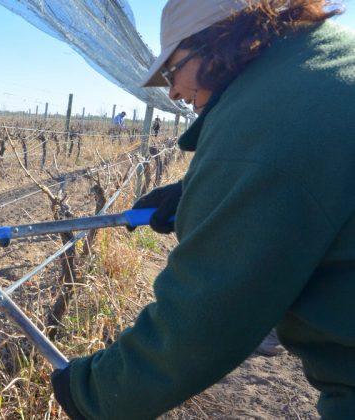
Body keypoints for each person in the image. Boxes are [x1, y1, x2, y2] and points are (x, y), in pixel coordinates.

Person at [51, 0, 355, 418]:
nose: (172, 90)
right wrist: (199, 192)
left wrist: (91, 394)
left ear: (221, 42)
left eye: (172, 70)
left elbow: (205, 319)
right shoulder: (317, 63)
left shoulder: (267, 115)